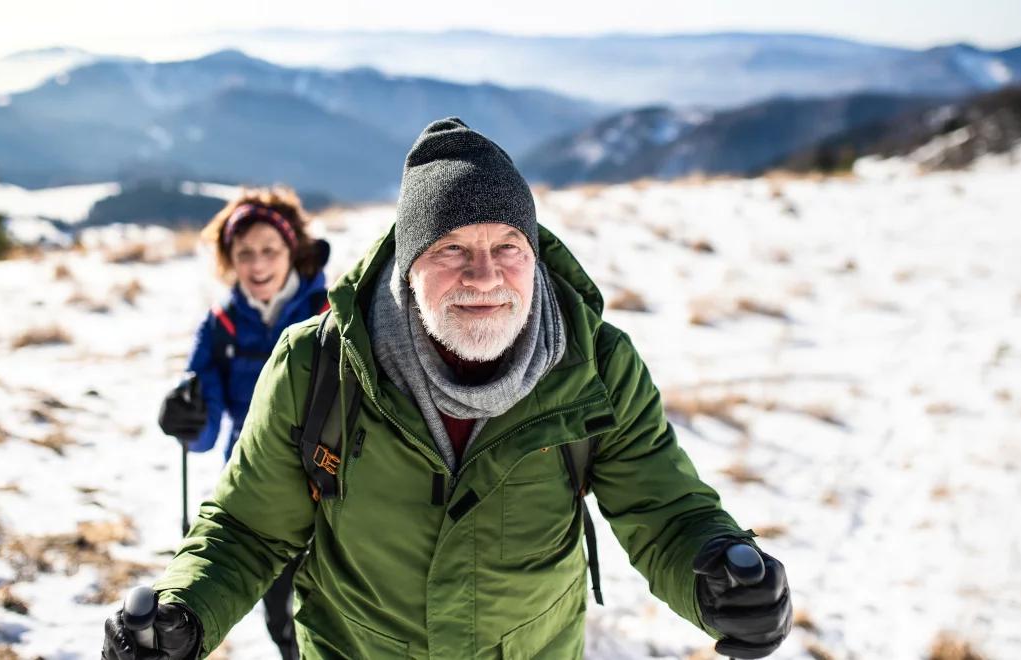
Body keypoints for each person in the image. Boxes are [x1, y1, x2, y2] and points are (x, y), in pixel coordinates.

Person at [105, 118, 792, 660]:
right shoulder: (320, 367)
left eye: (507, 248)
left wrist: (718, 578)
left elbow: (665, 510)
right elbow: (249, 528)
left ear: (533, 254)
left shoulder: (595, 368)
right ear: (408, 268)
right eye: (451, 250)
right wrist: (183, 611)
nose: (484, 276)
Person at [155, 187, 330, 660]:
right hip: (258, 487)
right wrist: (184, 417)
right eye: (244, 253)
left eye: (269, 250)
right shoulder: (220, 328)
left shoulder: (331, 315)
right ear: (229, 259)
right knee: (282, 621)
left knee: (333, 620)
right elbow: (206, 433)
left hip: (332, 487)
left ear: (292, 250)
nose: (257, 265)